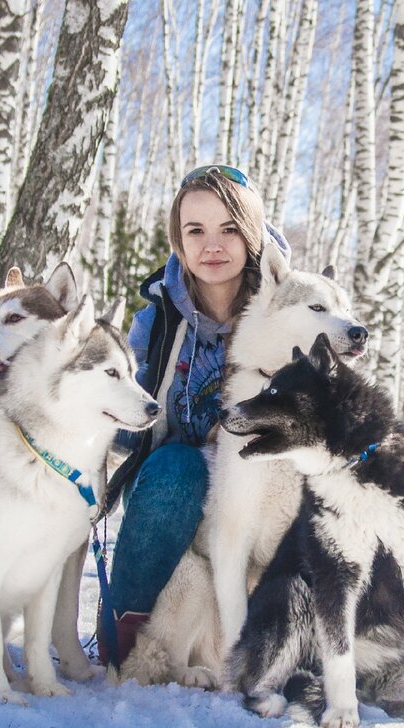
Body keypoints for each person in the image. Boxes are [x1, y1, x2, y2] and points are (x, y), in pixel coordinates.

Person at [98, 165, 290, 666]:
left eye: (229, 229)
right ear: (178, 242)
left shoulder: (289, 309)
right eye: (195, 230)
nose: (213, 245)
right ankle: (132, 623)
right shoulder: (154, 324)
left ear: (252, 234)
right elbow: (122, 421)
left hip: (263, 505)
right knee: (177, 467)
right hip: (174, 501)